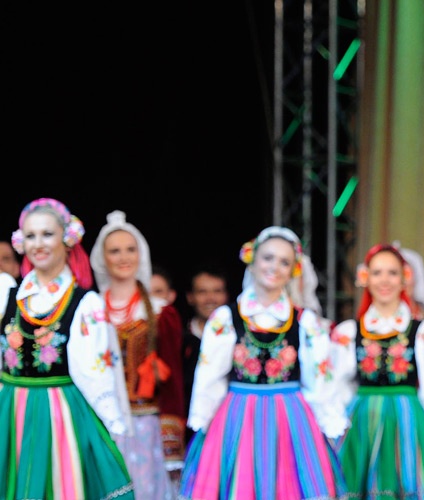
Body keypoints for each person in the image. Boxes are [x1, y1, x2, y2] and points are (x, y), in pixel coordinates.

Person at [180, 226, 346, 499]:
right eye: (268, 258)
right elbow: (211, 375)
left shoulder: (305, 322)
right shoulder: (226, 317)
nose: (274, 267)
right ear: (253, 261)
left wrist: (329, 422)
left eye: (284, 262)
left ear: (293, 270)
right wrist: (203, 419)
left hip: (289, 419)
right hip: (238, 416)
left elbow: (319, 380)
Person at [0, 198, 134, 498]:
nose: (38, 244)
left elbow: (95, 373)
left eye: (47, 234)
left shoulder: (84, 303)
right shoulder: (6, 294)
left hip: (58, 413)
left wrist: (113, 424)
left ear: (67, 238)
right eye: (31, 235)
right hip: (8, 409)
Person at [329, 243, 424, 498]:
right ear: (365, 277)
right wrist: (336, 422)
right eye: (377, 272)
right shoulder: (348, 333)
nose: (385, 280)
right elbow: (337, 386)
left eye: (392, 273)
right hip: (363, 422)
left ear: (405, 278)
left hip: (409, 421)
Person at [90, 210, 184, 499]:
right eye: (114, 251)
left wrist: (171, 443)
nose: (123, 257)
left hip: (147, 429)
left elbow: (174, 383)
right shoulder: (89, 310)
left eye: (130, 249)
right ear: (101, 258)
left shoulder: (160, 312)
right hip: (101, 425)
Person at [182, 263, 229, 445]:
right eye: (202, 292)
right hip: (189, 430)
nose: (211, 298)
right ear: (190, 297)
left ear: (226, 295)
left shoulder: (239, 339)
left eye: (217, 291)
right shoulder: (179, 340)